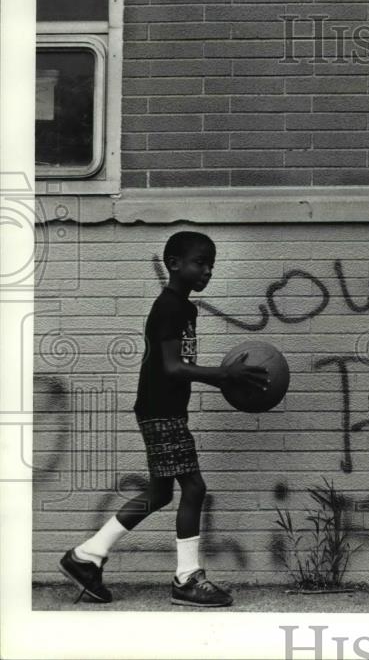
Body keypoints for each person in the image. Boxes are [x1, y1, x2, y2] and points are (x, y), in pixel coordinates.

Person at [58, 231, 268, 607]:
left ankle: (87, 556)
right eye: (199, 263)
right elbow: (172, 367)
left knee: (160, 493)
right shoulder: (170, 306)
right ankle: (186, 578)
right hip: (161, 409)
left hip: (161, 408)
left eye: (211, 265)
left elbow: (174, 365)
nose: (207, 271)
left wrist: (220, 378)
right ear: (174, 264)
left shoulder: (183, 307)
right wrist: (223, 376)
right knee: (193, 488)